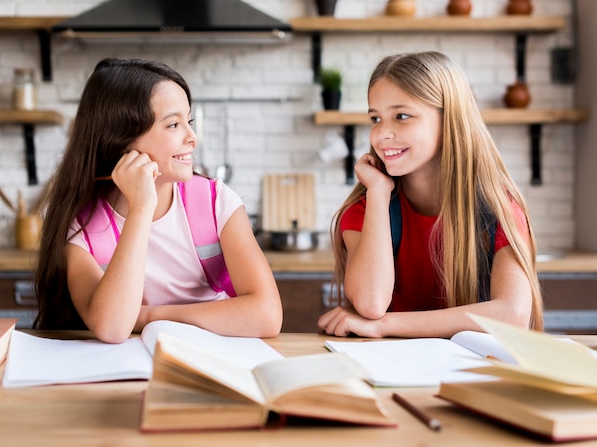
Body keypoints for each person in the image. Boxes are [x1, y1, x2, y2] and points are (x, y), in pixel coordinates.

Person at [34, 58, 282, 343]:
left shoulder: (216, 202)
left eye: (188, 121)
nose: (192, 137)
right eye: (174, 124)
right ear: (121, 140)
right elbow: (113, 328)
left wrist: (149, 317)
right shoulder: (82, 224)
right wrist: (141, 208)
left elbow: (268, 315)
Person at [318, 51, 543, 339]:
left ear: (449, 119)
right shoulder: (365, 209)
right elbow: (371, 303)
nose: (382, 133)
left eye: (401, 116)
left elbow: (512, 315)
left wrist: (385, 325)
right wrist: (378, 191)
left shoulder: (498, 209)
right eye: (375, 118)